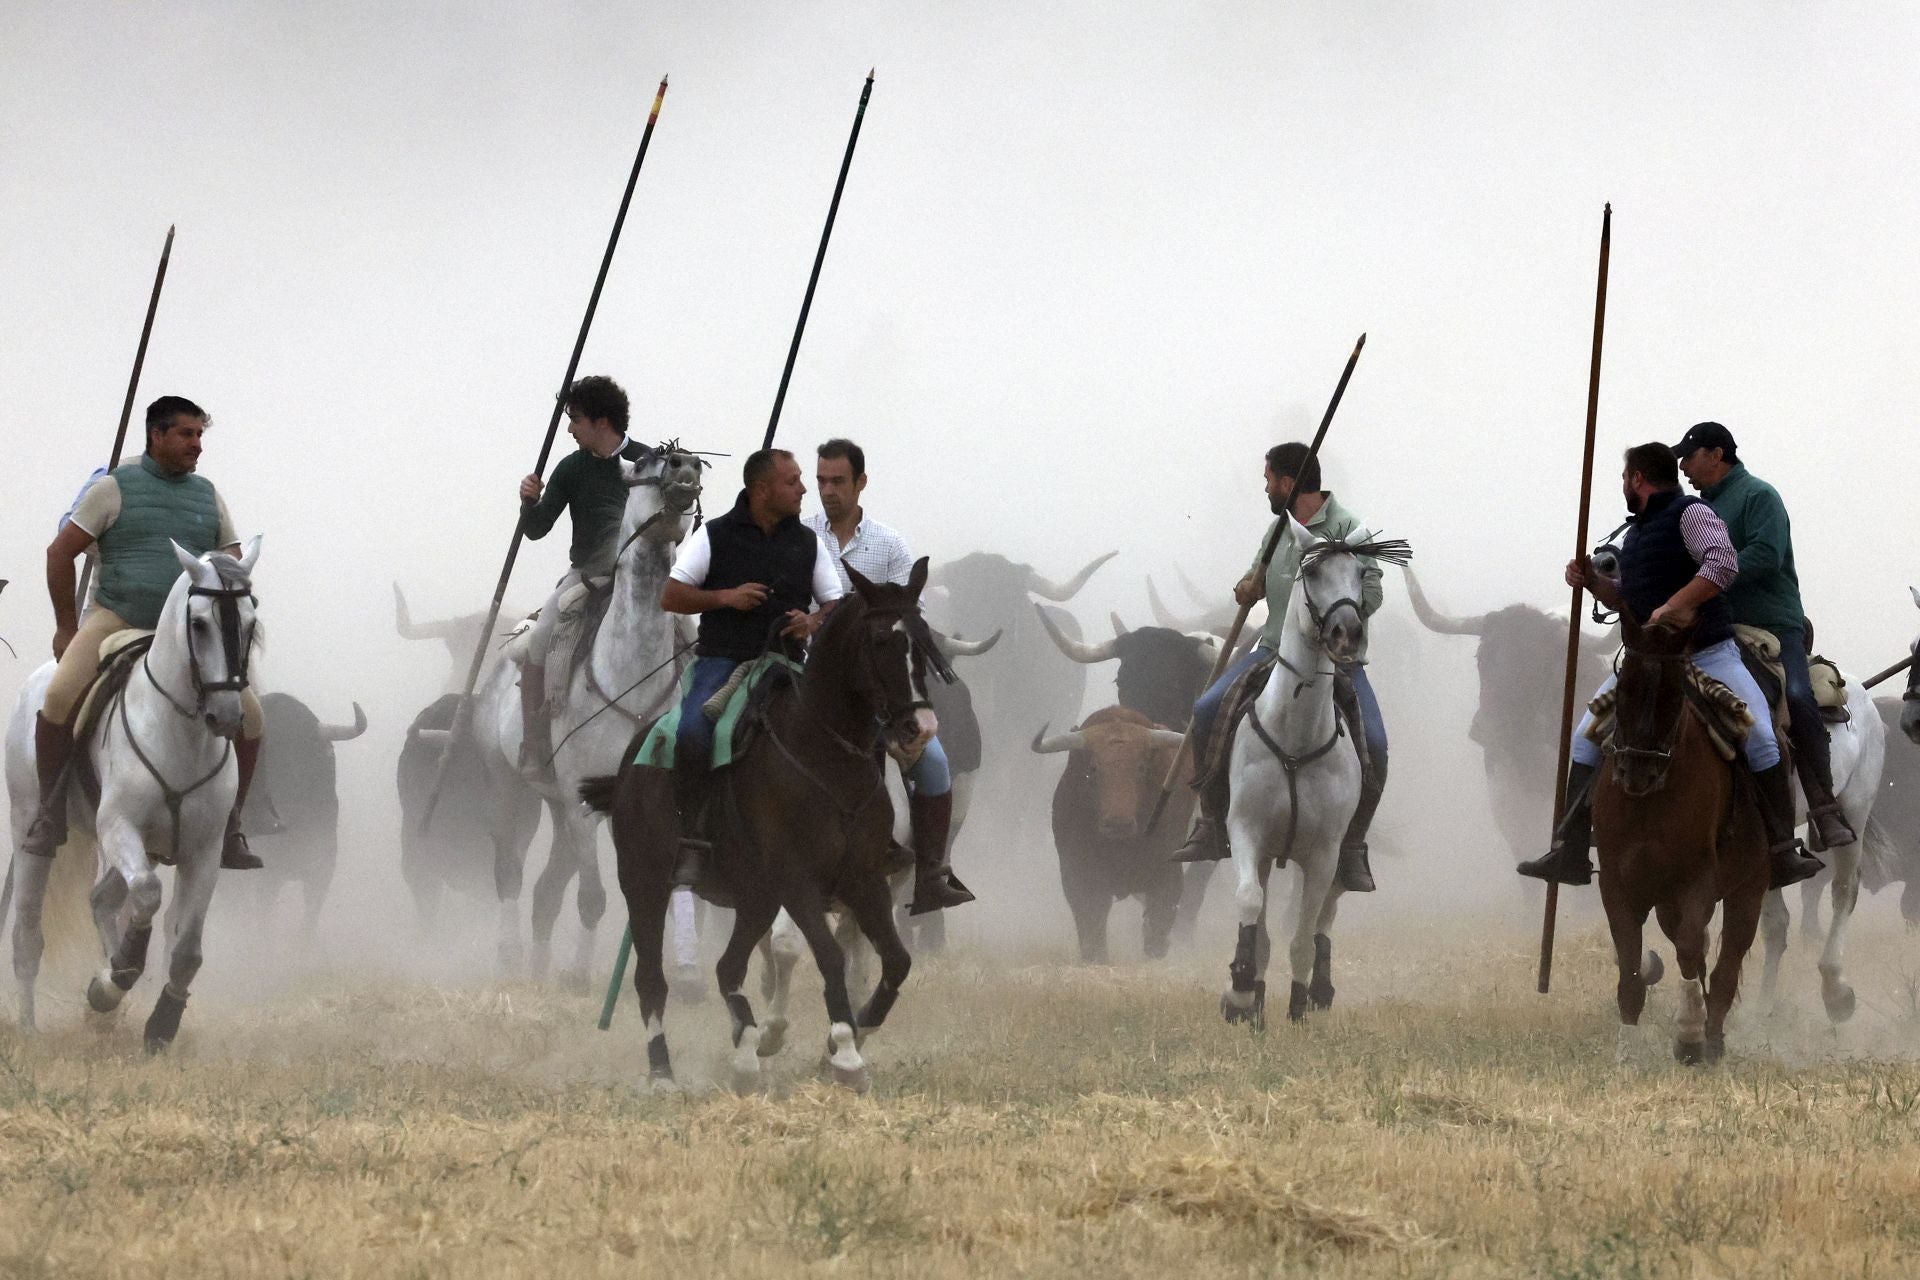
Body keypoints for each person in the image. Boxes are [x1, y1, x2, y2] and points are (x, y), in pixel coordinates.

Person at [1518, 442, 1824, 890]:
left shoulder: (1690, 515)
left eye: (1625, 478)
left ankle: (1780, 852)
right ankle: (1572, 850)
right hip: (1646, 660)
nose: (1623, 485)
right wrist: (1592, 584)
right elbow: (1628, 601)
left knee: (1762, 738)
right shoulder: (1635, 534)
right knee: (1585, 739)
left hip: (1709, 654)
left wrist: (1673, 606)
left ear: (1638, 478)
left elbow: (1723, 563)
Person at [26, 395, 265, 869]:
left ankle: (231, 826)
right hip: (117, 618)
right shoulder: (114, 488)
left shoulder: (208, 494)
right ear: (157, 435)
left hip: (187, 633)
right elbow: (60, 553)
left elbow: (231, 560)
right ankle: (50, 814)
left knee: (252, 717)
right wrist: (65, 627)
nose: (197, 445)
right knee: (57, 699)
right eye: (186, 434)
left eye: (200, 435)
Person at [1173, 442, 1388, 892]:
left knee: (1377, 744)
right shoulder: (1278, 531)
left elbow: (1372, 594)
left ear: (1289, 483)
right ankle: (1212, 822)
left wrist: (1338, 615)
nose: (1266, 488)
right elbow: (1254, 579)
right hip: (1272, 650)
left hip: (1338, 660)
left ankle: (1352, 846)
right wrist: (1246, 586)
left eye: (1269, 480)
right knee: (1207, 709)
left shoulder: (1352, 530)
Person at [658, 448, 843, 884]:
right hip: (722, 664)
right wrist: (724, 597)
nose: (803, 489)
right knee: (692, 732)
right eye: (792, 481)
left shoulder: (807, 542)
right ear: (762, 490)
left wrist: (813, 620)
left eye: (801, 480)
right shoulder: (715, 535)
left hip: (786, 667)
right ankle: (691, 840)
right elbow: (671, 595)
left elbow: (835, 602)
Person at [805, 437, 974, 913]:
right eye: (820, 481)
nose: (828, 490)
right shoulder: (802, 537)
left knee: (936, 764)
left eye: (838, 481)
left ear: (861, 482)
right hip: (810, 675)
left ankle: (931, 874)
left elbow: (905, 619)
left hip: (875, 683)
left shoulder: (890, 545)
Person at [1673, 421, 1853, 850]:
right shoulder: (1692, 511)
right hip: (1715, 627)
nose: (1682, 467)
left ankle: (1825, 810)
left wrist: (1709, 577)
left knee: (1798, 697)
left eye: (1689, 456)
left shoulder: (1758, 495)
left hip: (1774, 624)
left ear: (1717, 454)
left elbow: (1767, 555)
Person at [515, 375, 651, 771]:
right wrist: (529, 502)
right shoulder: (570, 468)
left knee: (691, 645)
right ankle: (536, 745)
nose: (570, 429)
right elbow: (537, 529)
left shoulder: (649, 462)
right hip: (586, 577)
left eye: (575, 419)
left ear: (602, 421)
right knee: (539, 642)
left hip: (640, 582)